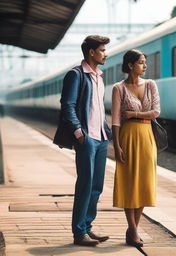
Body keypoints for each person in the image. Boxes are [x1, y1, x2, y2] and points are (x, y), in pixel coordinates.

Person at [60, 35, 112, 246]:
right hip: (87, 138)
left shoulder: (99, 76)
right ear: (91, 52)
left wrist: (106, 132)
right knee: (85, 184)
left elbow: (99, 108)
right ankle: (78, 233)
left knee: (97, 186)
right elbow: (67, 105)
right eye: (102, 50)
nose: (105, 53)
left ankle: (87, 227)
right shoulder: (76, 75)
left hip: (101, 138)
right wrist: (78, 132)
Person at [111, 49, 160, 247]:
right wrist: (116, 146)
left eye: (145, 62)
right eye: (141, 62)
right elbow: (115, 120)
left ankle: (132, 230)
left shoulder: (151, 84)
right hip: (127, 137)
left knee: (144, 183)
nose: (144, 65)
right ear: (130, 65)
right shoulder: (118, 88)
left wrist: (133, 115)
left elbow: (156, 112)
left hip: (147, 136)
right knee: (128, 183)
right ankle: (133, 231)